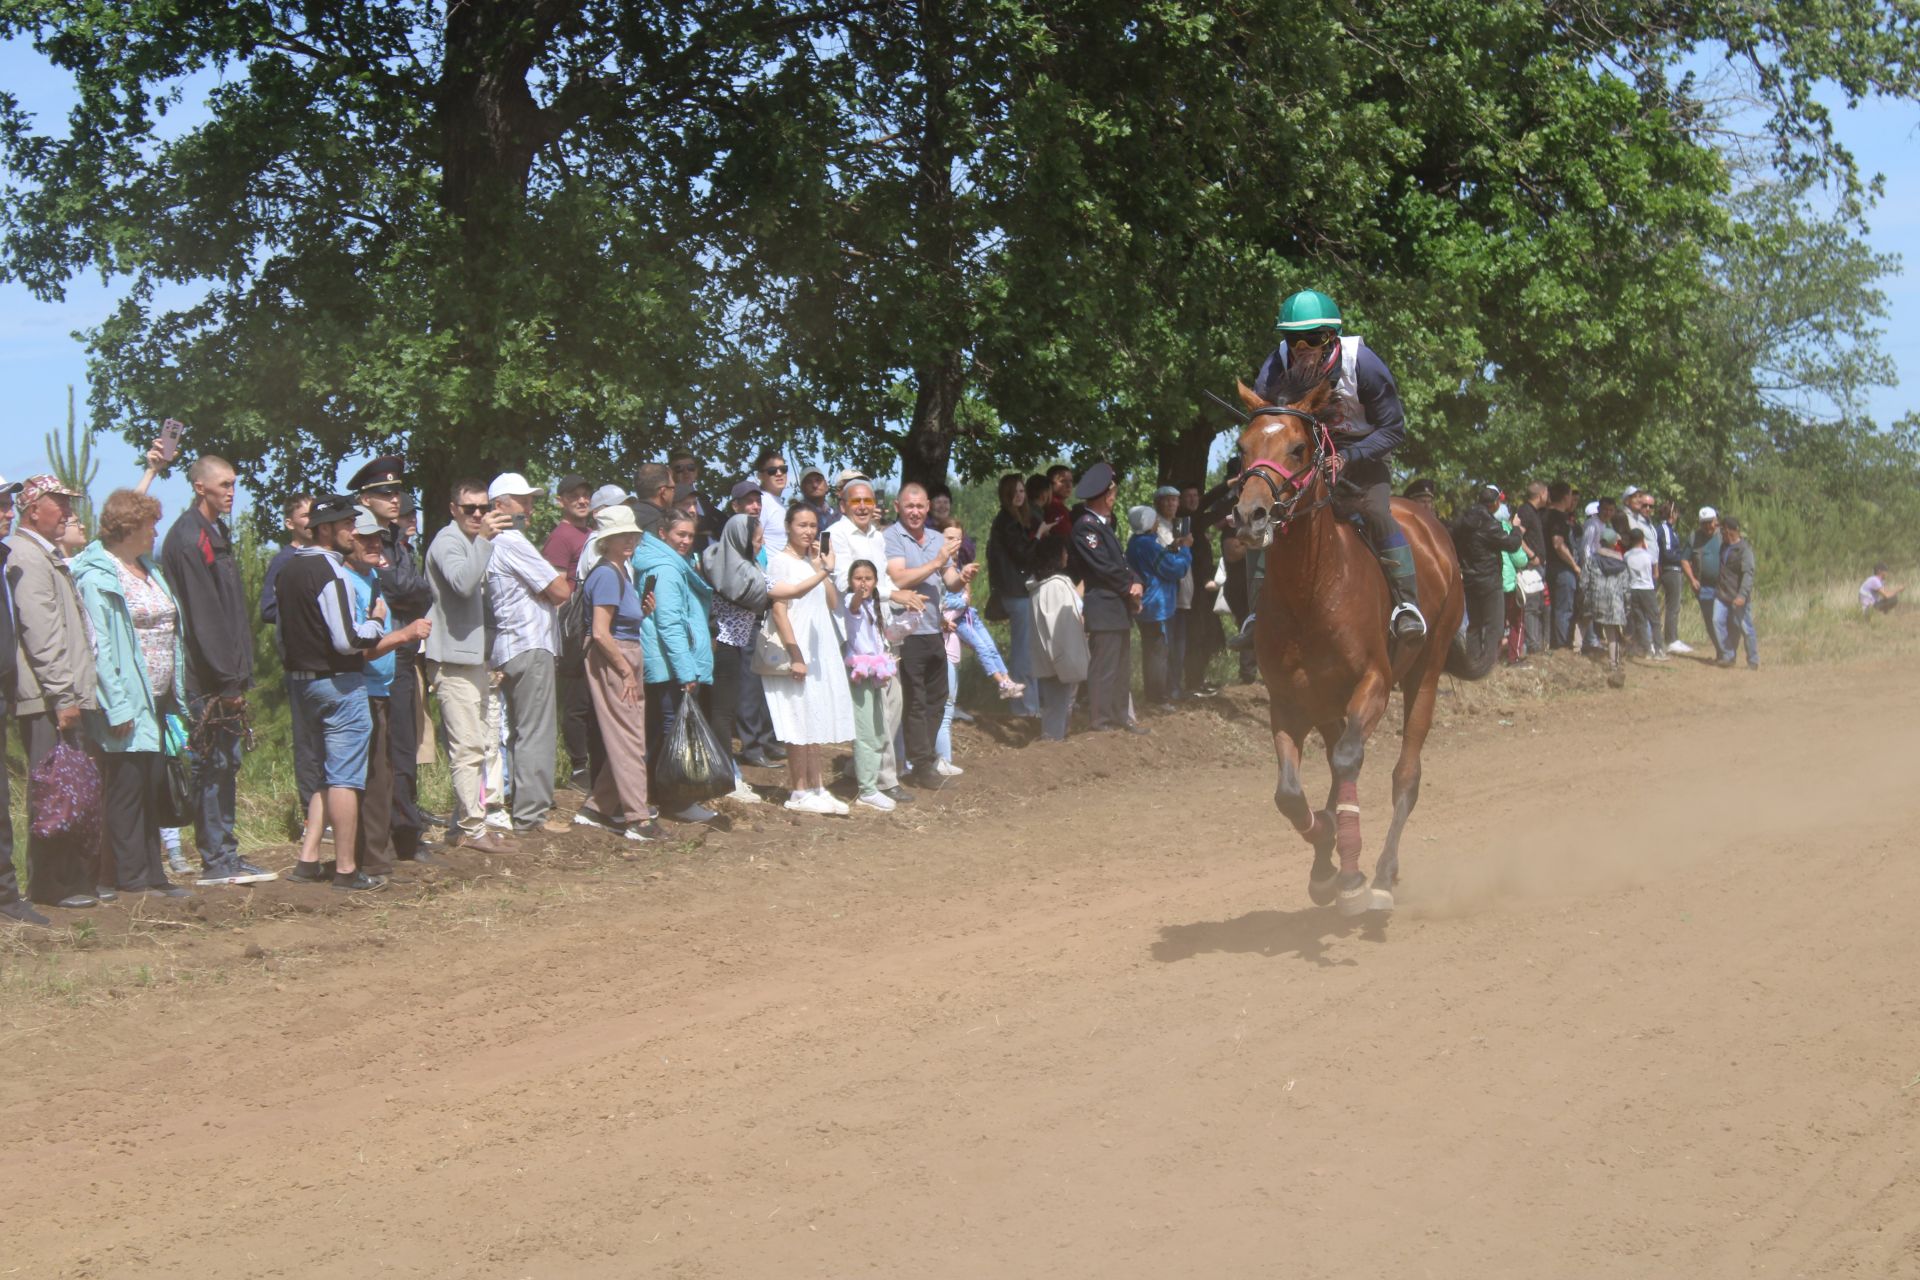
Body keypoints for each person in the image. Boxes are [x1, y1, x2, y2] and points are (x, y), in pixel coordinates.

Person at [1256, 289, 1425, 640]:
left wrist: (1349, 456)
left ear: (1330, 337)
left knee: (1377, 512)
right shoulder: (1275, 365)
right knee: (1259, 517)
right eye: (1293, 338)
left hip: (1365, 451)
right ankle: (1255, 613)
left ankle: (1406, 605)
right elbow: (1265, 421)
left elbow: (1394, 429)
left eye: (1312, 338)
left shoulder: (1364, 364)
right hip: (1306, 453)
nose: (1301, 348)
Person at [279, 496, 424, 891]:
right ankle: (345, 867)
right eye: (345, 524)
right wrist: (377, 623)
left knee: (327, 775)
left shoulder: (289, 568)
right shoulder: (331, 572)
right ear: (326, 529)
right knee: (345, 777)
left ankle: (308, 858)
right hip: (339, 682)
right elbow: (348, 639)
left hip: (301, 682)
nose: (352, 531)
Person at [157, 455, 275, 886]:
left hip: (226, 677)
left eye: (233, 484)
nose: (231, 492)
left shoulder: (214, 532)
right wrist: (227, 681)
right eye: (223, 484)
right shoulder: (190, 539)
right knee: (213, 765)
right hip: (207, 682)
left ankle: (227, 852)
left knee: (228, 764)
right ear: (200, 487)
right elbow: (205, 619)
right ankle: (216, 860)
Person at [68, 489, 192, 899]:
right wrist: (116, 704)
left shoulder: (148, 568)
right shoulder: (99, 575)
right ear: (131, 526)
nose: (157, 530)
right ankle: (130, 880)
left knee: (153, 787)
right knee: (126, 791)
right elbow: (97, 646)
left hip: (157, 701)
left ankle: (155, 875)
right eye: (151, 523)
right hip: (124, 702)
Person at [7, 476, 102, 908]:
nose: (67, 511)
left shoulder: (45, 555)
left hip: (58, 696)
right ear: (33, 510)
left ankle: (68, 880)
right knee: (52, 792)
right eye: (59, 503)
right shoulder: (26, 556)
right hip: (45, 699)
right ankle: (49, 885)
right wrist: (64, 696)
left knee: (68, 790)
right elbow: (42, 635)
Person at [346, 456, 432, 864]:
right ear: (364, 499)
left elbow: (419, 591)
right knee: (386, 755)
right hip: (377, 656)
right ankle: (396, 837)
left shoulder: (397, 538)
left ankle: (406, 830)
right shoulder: (362, 537)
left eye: (396, 491)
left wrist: (411, 590)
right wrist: (411, 590)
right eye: (384, 493)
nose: (394, 499)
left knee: (404, 749)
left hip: (401, 653)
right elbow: (398, 585)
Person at [423, 478, 514, 853]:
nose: (478, 514)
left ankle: (463, 826)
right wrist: (486, 541)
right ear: (453, 509)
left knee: (480, 744)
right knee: (467, 749)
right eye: (470, 508)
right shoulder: (448, 542)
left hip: (471, 660)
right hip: (451, 663)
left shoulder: (470, 543)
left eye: (483, 507)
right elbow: (461, 583)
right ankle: (473, 829)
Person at [824, 478, 924, 803]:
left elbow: (879, 580)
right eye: (856, 502)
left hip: (879, 633)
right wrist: (895, 593)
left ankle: (863, 768)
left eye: (868, 500)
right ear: (843, 505)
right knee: (876, 707)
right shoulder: (838, 534)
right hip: (853, 637)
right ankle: (881, 778)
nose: (864, 506)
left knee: (891, 703)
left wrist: (901, 599)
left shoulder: (877, 538)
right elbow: (844, 584)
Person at [485, 472, 573, 833]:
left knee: (514, 730)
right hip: (529, 642)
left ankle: (516, 805)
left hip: (508, 644)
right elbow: (561, 590)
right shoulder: (512, 541)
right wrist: (549, 586)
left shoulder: (487, 543)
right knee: (535, 730)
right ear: (499, 505)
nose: (530, 507)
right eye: (522, 500)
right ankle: (531, 815)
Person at [575, 503, 667, 841]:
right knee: (629, 738)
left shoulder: (619, 571)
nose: (629, 540)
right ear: (606, 540)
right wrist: (625, 671)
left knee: (628, 734)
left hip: (624, 653)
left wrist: (641, 612)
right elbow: (601, 632)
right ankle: (638, 819)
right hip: (615, 657)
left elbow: (617, 626)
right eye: (621, 535)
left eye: (632, 534)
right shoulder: (606, 574)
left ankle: (597, 808)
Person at [765, 503, 854, 813]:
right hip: (798, 647)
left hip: (820, 649)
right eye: (802, 525)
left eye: (813, 525)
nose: (808, 531)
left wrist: (822, 567)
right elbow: (779, 610)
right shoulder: (779, 562)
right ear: (789, 526)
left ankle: (817, 785)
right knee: (797, 718)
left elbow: (831, 603)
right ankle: (799, 790)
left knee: (814, 715)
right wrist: (795, 655)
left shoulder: (812, 562)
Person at [633, 511, 718, 823]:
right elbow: (669, 624)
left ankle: (655, 795)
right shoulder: (667, 569)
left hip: (667, 664)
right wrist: (686, 671)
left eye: (690, 535)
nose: (685, 541)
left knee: (662, 732)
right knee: (675, 733)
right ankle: (677, 802)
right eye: (679, 534)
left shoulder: (667, 564)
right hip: (671, 666)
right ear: (662, 532)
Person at [884, 483, 970, 788]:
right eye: (909, 506)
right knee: (916, 700)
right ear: (898, 506)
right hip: (907, 633)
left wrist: (962, 578)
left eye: (920, 506)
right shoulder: (892, 536)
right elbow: (899, 577)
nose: (915, 511)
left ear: (928, 507)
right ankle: (920, 764)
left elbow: (949, 580)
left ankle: (922, 757)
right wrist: (935, 562)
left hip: (935, 629)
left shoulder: (936, 537)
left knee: (939, 697)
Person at [341, 506, 405, 876]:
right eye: (364, 537)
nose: (373, 544)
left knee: (384, 774)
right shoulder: (347, 582)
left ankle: (379, 854)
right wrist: (404, 635)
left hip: (382, 686)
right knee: (370, 776)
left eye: (377, 538)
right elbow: (361, 645)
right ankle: (371, 859)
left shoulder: (373, 580)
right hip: (361, 688)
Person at [0, 476, 50, 924]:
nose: (7, 511)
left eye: (8, 502)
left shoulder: (5, 559)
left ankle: (5, 896)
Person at [1068, 462, 1147, 734]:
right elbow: (1101, 566)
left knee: (1121, 666)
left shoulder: (1103, 526)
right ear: (1106, 495)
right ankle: (1100, 721)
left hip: (1117, 607)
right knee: (1104, 667)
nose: (1115, 497)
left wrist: (1136, 581)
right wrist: (1129, 586)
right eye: (1113, 492)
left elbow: (1120, 562)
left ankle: (1120, 717)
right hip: (1103, 605)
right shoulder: (1085, 527)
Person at [702, 513, 773, 803]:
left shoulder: (716, 558)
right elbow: (775, 592)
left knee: (718, 712)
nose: (762, 544)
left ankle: (720, 773)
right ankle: (726, 778)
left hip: (728, 643)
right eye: (757, 539)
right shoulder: (735, 571)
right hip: (724, 645)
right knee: (721, 714)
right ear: (742, 540)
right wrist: (821, 572)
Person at [543, 473, 596, 789]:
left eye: (586, 494)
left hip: (594, 624)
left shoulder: (590, 534)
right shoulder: (560, 537)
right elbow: (555, 588)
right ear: (560, 500)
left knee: (590, 699)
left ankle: (592, 761)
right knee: (576, 701)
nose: (581, 500)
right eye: (574, 495)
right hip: (572, 628)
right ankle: (578, 767)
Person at [839, 559, 901, 810]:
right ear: (850, 582)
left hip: (876, 671)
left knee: (878, 729)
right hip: (859, 672)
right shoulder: (851, 603)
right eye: (858, 578)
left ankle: (870, 782)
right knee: (866, 731)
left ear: (876, 582)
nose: (863, 583)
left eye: (868, 578)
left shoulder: (873, 607)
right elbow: (853, 605)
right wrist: (857, 595)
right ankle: (867, 789)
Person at [1125, 504, 1191, 710]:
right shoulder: (1148, 544)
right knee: (1157, 651)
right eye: (1153, 519)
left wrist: (1173, 548)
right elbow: (1172, 568)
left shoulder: (1135, 542)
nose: (1156, 523)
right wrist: (1186, 549)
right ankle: (1158, 698)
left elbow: (1158, 559)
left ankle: (1153, 694)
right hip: (1156, 604)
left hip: (1146, 602)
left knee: (1151, 649)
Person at [986, 473, 1042, 718]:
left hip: (1018, 590)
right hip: (1016, 592)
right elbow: (1023, 555)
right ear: (1006, 495)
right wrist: (1039, 536)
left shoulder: (1012, 519)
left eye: (1022, 491)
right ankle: (1026, 708)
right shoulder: (1007, 522)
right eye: (1015, 492)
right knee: (1025, 652)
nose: (1020, 496)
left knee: (1027, 650)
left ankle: (1028, 706)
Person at [1453, 484, 1524, 666]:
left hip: (1469, 579)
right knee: (1495, 625)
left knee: (1475, 624)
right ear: (1494, 504)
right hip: (1490, 580)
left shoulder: (1463, 521)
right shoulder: (1489, 524)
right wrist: (1515, 528)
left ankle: (1473, 660)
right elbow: (1512, 544)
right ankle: (1488, 664)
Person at [1029, 533, 1089, 741]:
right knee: (1057, 708)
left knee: (1056, 706)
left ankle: (1054, 742)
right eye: (1063, 551)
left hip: (1047, 658)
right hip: (1059, 659)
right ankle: (1052, 746)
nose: (1066, 555)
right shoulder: (1056, 586)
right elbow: (1060, 625)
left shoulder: (1040, 585)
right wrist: (1064, 660)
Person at [1179, 481, 1225, 697]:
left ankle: (1198, 680)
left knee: (1209, 635)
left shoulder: (1196, 521)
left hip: (1205, 589)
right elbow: (1214, 510)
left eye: (1195, 496)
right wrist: (1232, 489)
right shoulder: (1187, 522)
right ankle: (1192, 683)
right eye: (1188, 496)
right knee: (1196, 637)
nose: (1193, 500)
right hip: (1193, 590)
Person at [1713, 515, 1758, 670]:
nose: (1720, 532)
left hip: (1737, 596)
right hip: (1722, 594)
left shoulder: (1745, 549)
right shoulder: (1723, 546)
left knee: (1746, 628)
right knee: (1716, 621)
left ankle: (1753, 661)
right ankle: (1728, 655)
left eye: (1722, 529)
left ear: (1730, 530)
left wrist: (1742, 595)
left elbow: (1748, 574)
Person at [1587, 527, 1630, 685]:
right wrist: (1627, 607)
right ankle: (1613, 665)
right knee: (1613, 634)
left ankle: (1576, 650)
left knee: (1582, 621)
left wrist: (1584, 597)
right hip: (1615, 603)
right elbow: (1626, 589)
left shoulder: (1593, 559)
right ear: (1613, 543)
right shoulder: (1621, 562)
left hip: (1596, 599)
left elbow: (1585, 580)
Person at [1543, 480, 1580, 649]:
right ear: (1566, 496)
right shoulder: (1557, 518)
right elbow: (1558, 544)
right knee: (1564, 610)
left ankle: (1554, 644)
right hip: (1561, 570)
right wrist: (1574, 565)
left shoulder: (1544, 515)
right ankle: (1562, 647)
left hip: (1548, 567)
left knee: (1556, 609)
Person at [1515, 482, 1549, 653]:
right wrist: (1532, 555)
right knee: (1531, 606)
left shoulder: (1535, 512)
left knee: (1538, 606)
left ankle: (1537, 644)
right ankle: (1532, 645)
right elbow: (1517, 536)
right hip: (1530, 568)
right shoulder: (1525, 511)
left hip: (1538, 567)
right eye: (1547, 492)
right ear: (1541, 494)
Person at [1655, 500, 1693, 654]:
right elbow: (1668, 552)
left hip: (1671, 569)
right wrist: (1683, 559)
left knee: (1672, 606)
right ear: (1673, 513)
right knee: (1673, 606)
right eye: (1676, 512)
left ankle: (1671, 638)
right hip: (1671, 570)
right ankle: (1671, 640)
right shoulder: (1665, 529)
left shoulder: (1670, 530)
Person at [1684, 506, 1723, 652]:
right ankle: (1721, 651)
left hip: (1723, 586)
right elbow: (1684, 560)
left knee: (1724, 619)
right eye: (1704, 523)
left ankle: (1728, 650)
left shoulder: (1723, 535)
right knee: (1710, 620)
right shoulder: (1694, 537)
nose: (1707, 526)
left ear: (1716, 521)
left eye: (1710, 522)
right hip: (1704, 587)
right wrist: (1692, 579)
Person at [1623, 529, 1665, 660]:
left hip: (1633, 588)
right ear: (1642, 540)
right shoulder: (1648, 555)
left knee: (1640, 620)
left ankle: (1647, 649)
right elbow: (1655, 573)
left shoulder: (1627, 555)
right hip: (1647, 588)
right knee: (1654, 620)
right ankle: (1658, 650)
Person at [752, 450, 792, 556]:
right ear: (760, 476)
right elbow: (753, 541)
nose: (779, 474)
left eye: (783, 469)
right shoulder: (761, 502)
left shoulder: (779, 504)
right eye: (772, 471)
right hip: (768, 570)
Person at [631, 462, 676, 536]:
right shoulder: (661, 524)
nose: (674, 492)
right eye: (673, 488)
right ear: (663, 492)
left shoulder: (625, 516)